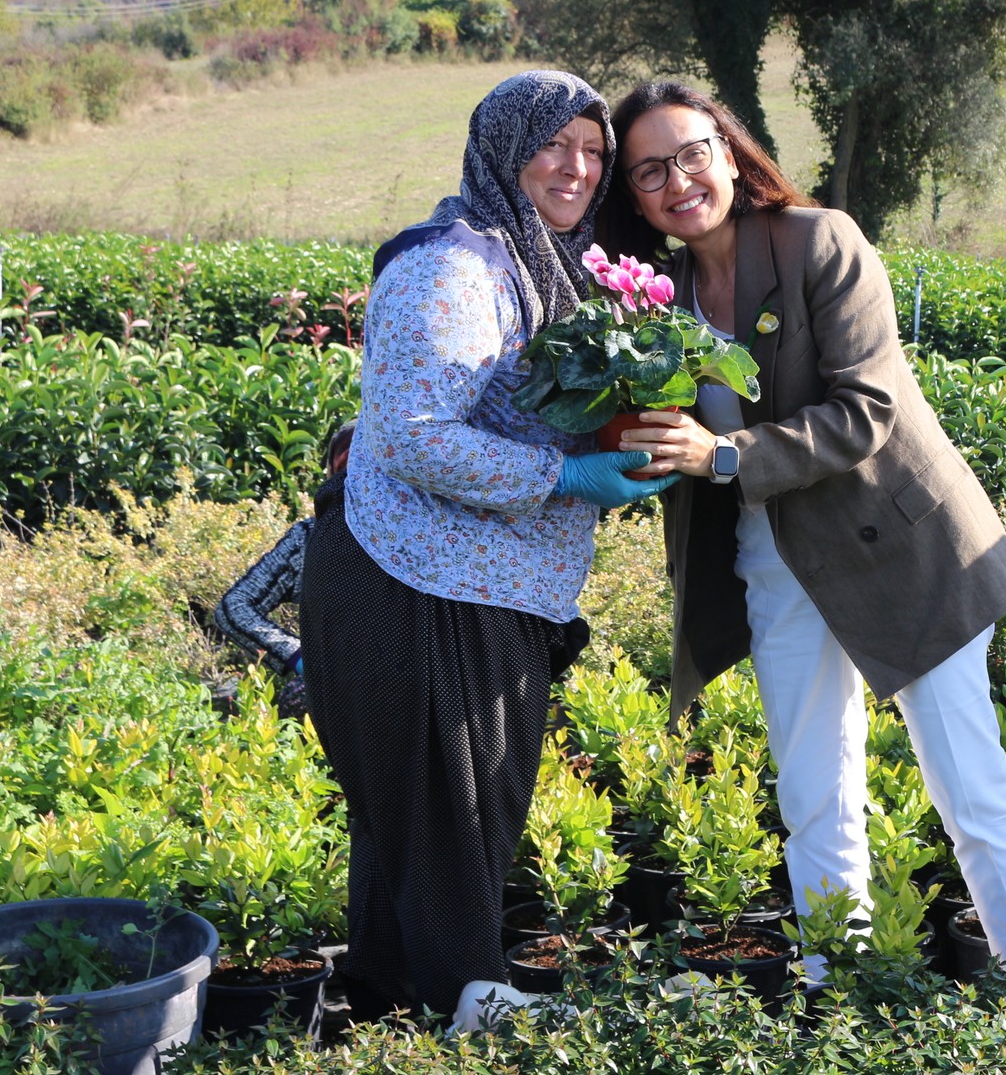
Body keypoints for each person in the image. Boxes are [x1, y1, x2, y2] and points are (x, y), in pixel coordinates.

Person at [596, 81, 1006, 994]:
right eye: (650, 171)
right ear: (636, 196)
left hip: (903, 547)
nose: (677, 180)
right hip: (777, 556)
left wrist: (722, 455)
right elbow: (664, 440)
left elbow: (868, 409)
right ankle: (834, 987)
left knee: (966, 780)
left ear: (729, 151)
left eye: (691, 153)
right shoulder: (657, 295)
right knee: (812, 793)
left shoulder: (821, 240)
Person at [299, 71, 672, 1020]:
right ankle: (474, 998)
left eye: (594, 150)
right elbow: (417, 431)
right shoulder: (454, 266)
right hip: (414, 580)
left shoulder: (534, 258)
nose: (579, 167)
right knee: (449, 808)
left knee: (427, 812)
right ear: (503, 149)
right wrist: (566, 478)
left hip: (469, 580)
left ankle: (394, 997)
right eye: (556, 144)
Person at [209, 421, 355, 718]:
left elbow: (234, 608)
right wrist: (299, 657)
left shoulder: (313, 536)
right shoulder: (310, 538)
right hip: (350, 685)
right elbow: (234, 607)